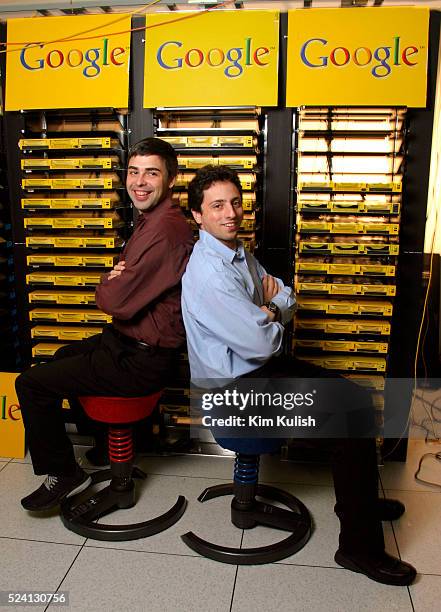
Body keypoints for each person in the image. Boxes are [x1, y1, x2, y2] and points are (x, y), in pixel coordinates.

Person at [181, 164, 416, 586]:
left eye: (235, 202)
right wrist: (272, 312)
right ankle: (358, 548)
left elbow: (285, 293)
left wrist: (270, 311)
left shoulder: (237, 253)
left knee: (357, 398)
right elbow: (262, 340)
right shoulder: (209, 273)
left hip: (259, 372)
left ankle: (358, 500)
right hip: (234, 395)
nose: (230, 212)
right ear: (197, 215)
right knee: (348, 420)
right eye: (217, 206)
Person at [17, 137, 194, 512]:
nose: (139, 181)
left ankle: (65, 473)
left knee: (30, 384)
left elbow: (115, 303)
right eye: (133, 172)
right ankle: (105, 446)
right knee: (63, 354)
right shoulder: (154, 222)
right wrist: (117, 279)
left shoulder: (164, 231)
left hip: (140, 359)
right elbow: (121, 297)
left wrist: (110, 281)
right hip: (125, 343)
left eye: (151, 173)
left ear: (172, 179)